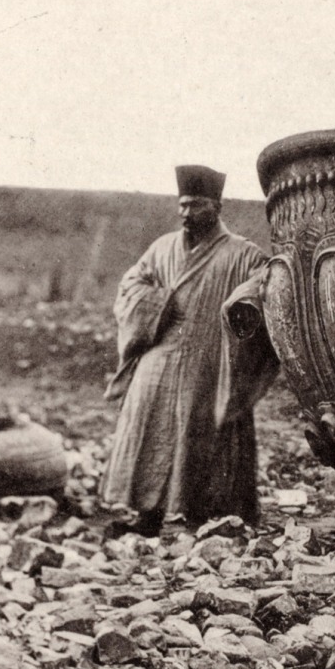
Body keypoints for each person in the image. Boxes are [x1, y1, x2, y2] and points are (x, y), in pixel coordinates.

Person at [100, 165, 271, 532]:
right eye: (182, 205)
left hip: (209, 359)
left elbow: (265, 283)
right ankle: (146, 513)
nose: (185, 213)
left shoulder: (244, 253)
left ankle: (204, 517)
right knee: (147, 423)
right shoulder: (162, 248)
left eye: (195, 205)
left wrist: (243, 303)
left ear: (216, 208)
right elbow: (131, 284)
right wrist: (157, 303)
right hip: (160, 354)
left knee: (206, 430)